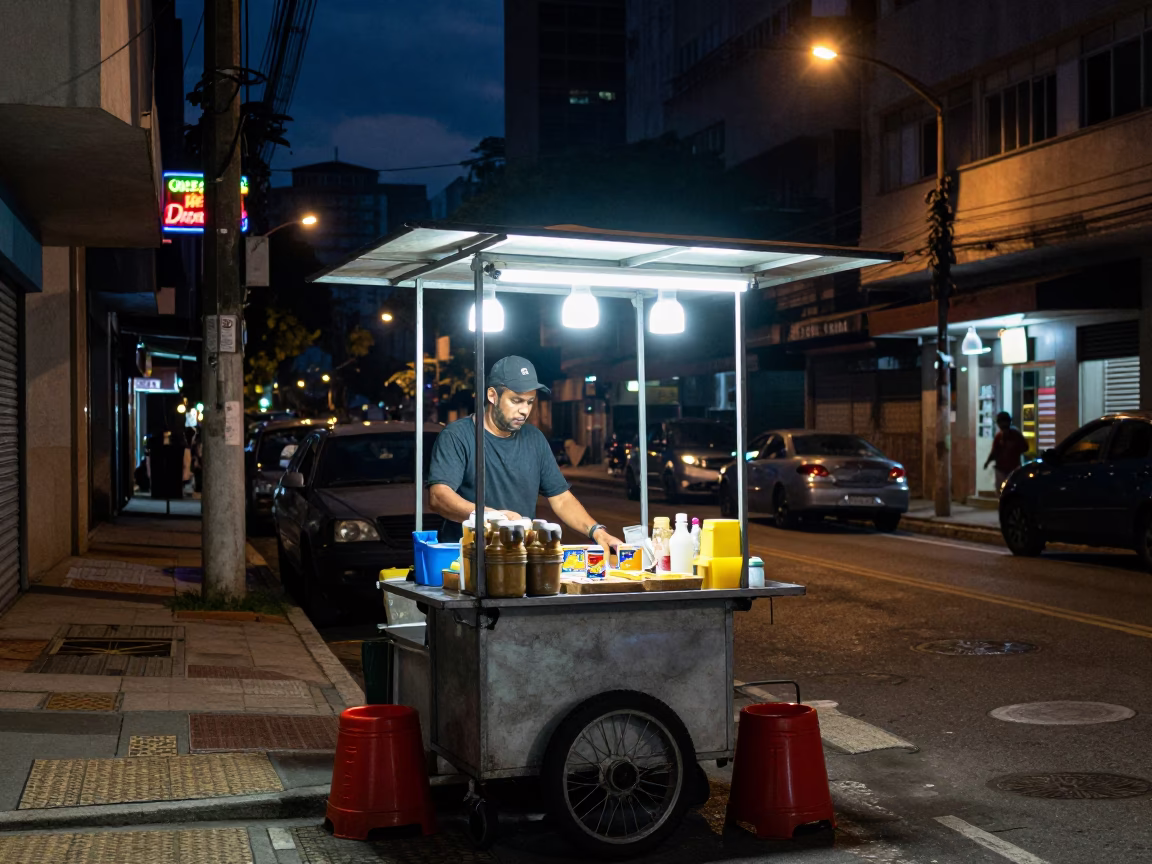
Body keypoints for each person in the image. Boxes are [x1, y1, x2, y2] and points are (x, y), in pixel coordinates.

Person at [428, 355, 625, 552]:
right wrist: (491, 517)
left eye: (530, 402)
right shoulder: (458, 436)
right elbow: (439, 497)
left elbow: (562, 498)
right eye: (516, 401)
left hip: (517, 559)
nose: (524, 410)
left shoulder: (534, 439)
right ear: (492, 395)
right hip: (464, 559)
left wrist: (597, 531)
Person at [984, 411, 1029, 494]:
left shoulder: (1015, 434)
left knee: (1011, 491)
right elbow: (994, 451)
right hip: (1001, 469)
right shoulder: (999, 436)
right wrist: (987, 462)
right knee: (1002, 491)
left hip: (1013, 469)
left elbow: (1025, 447)